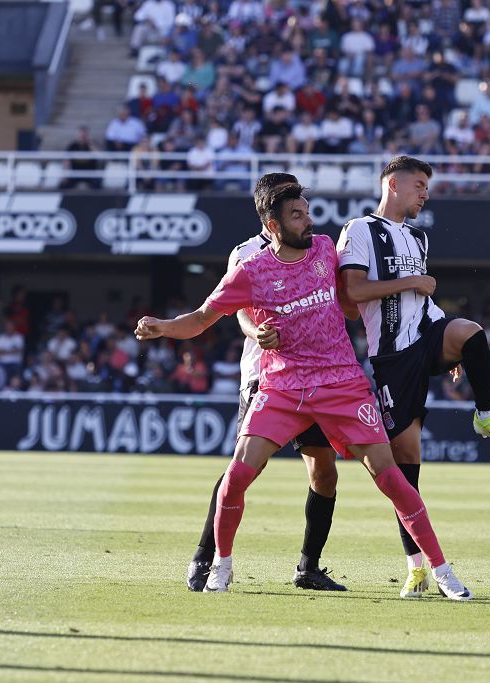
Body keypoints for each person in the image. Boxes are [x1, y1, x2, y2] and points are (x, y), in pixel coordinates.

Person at [137, 180, 472, 600]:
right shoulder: (250, 270)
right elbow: (204, 317)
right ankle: (220, 563)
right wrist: (164, 328)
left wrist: (438, 344)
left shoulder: (325, 250)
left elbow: (353, 298)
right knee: (238, 473)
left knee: (390, 479)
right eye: (298, 215)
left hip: (341, 383)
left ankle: (440, 570)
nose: (308, 221)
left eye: (308, 212)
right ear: (272, 224)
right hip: (283, 386)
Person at [337, 155, 490, 599]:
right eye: (419, 185)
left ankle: (482, 413)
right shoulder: (360, 230)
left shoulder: (417, 237)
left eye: (426, 187)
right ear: (393, 184)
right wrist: (412, 284)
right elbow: (354, 292)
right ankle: (417, 567)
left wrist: (450, 345)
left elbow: (424, 303)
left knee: (473, 334)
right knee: (406, 471)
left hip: (425, 339)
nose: (425, 194)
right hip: (392, 359)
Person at [185, 173, 349, 594]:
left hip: (313, 376)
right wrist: (255, 331)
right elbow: (231, 306)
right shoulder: (245, 253)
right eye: (293, 203)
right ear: (270, 210)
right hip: (264, 374)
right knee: (241, 471)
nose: (303, 212)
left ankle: (308, 566)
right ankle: (206, 557)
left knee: (324, 473)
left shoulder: (313, 246)